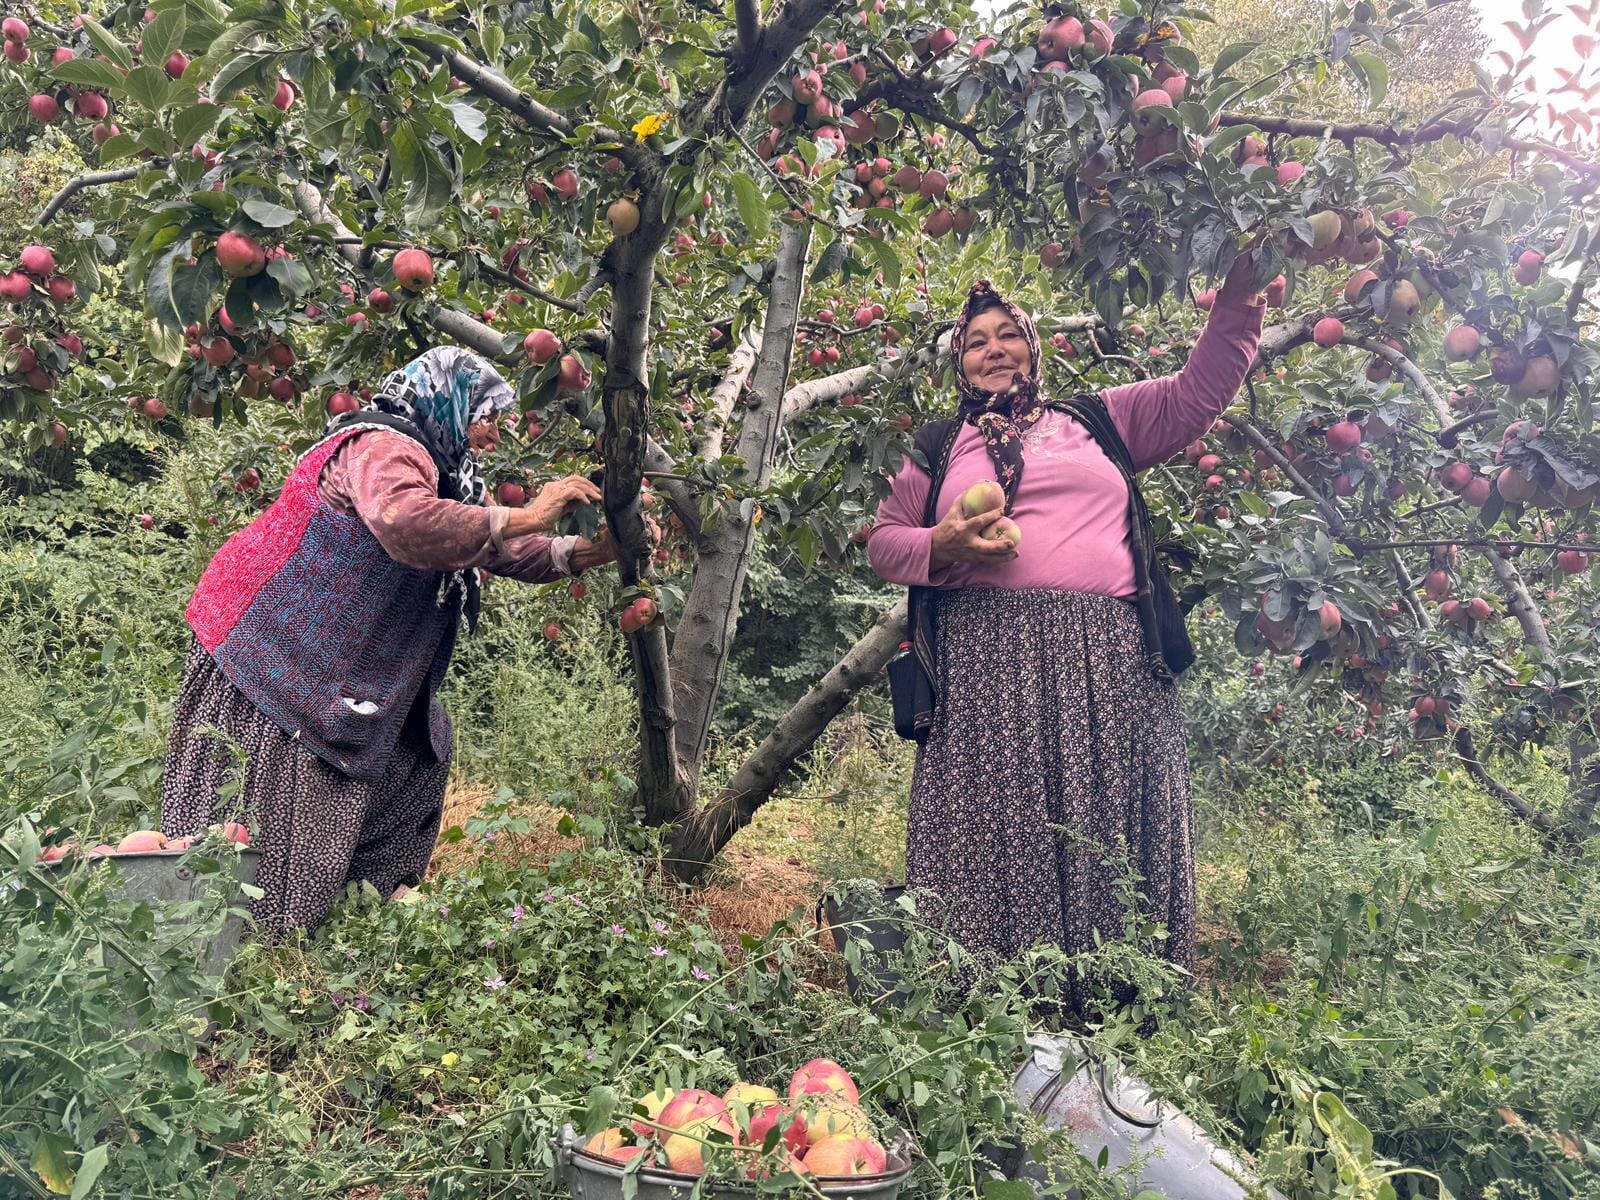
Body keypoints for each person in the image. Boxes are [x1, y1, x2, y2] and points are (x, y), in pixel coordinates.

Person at [866, 250, 1266, 1014]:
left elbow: (1198, 393)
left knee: (1105, 824)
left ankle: (1119, 1009)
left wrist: (1241, 301)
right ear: (960, 361)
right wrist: (942, 544)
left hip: (1107, 658)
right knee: (997, 828)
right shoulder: (938, 445)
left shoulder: (1097, 421)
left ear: (1034, 347)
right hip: (986, 660)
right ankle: (993, 1011)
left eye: (1008, 333)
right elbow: (885, 543)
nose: (993, 348)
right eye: (976, 339)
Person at [161, 346, 626, 934]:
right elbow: (404, 522)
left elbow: (495, 543)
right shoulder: (382, 447)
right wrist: (531, 513)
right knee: (279, 787)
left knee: (419, 747)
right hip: (272, 650)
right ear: (450, 402)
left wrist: (590, 551)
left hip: (346, 662)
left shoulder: (448, 474)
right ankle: (252, 939)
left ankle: (357, 917)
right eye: (487, 417)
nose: (493, 435)